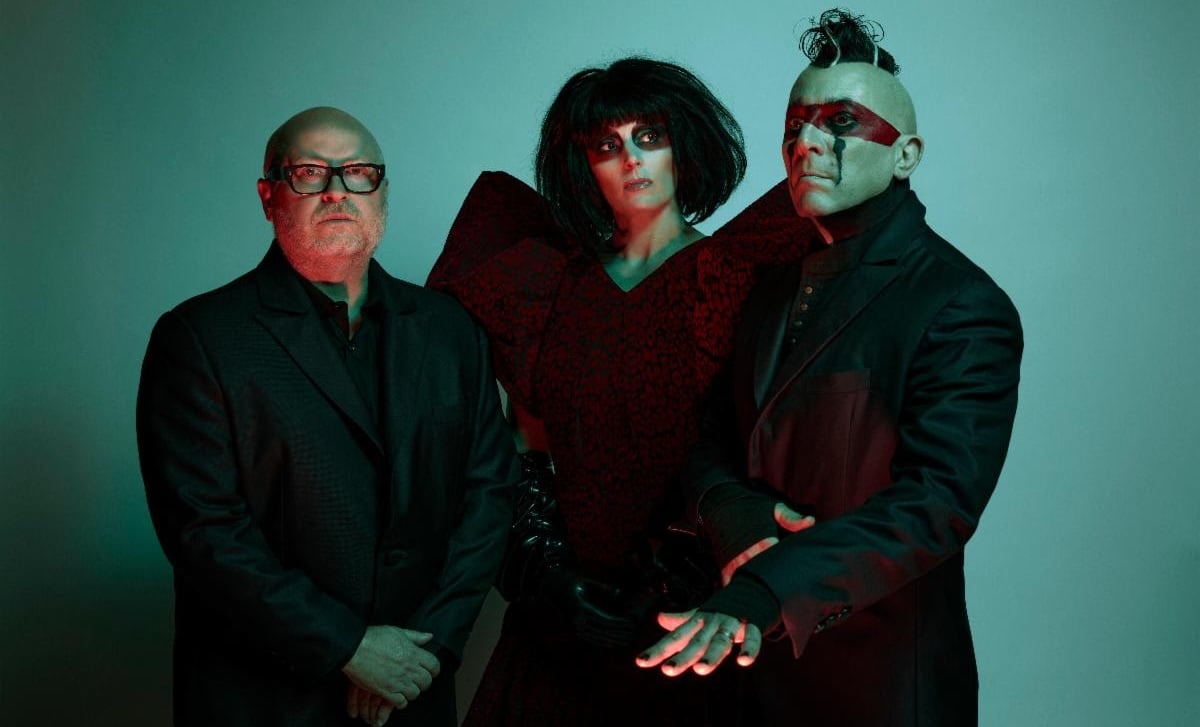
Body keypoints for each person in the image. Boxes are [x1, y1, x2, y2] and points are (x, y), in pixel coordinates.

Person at [636, 10, 1024, 726]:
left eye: (841, 122)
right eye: (795, 125)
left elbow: (935, 504)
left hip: (878, 685)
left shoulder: (961, 302)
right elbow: (712, 434)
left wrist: (767, 588)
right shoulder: (771, 287)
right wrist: (726, 507)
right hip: (750, 683)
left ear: (906, 154)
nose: (806, 143)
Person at [426, 58, 816, 726]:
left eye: (649, 136)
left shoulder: (740, 276)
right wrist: (546, 576)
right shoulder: (549, 285)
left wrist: (693, 574)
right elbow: (520, 450)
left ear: (684, 146)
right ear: (584, 166)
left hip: (692, 615)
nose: (631, 158)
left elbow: (772, 448)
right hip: (564, 619)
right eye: (607, 145)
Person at [136, 106, 517, 727]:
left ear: (382, 191)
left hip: (413, 691)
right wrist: (350, 648)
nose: (338, 190)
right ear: (268, 196)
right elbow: (204, 532)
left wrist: (426, 649)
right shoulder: (199, 338)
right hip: (265, 701)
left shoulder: (451, 331)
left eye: (359, 171)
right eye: (310, 172)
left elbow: (489, 497)